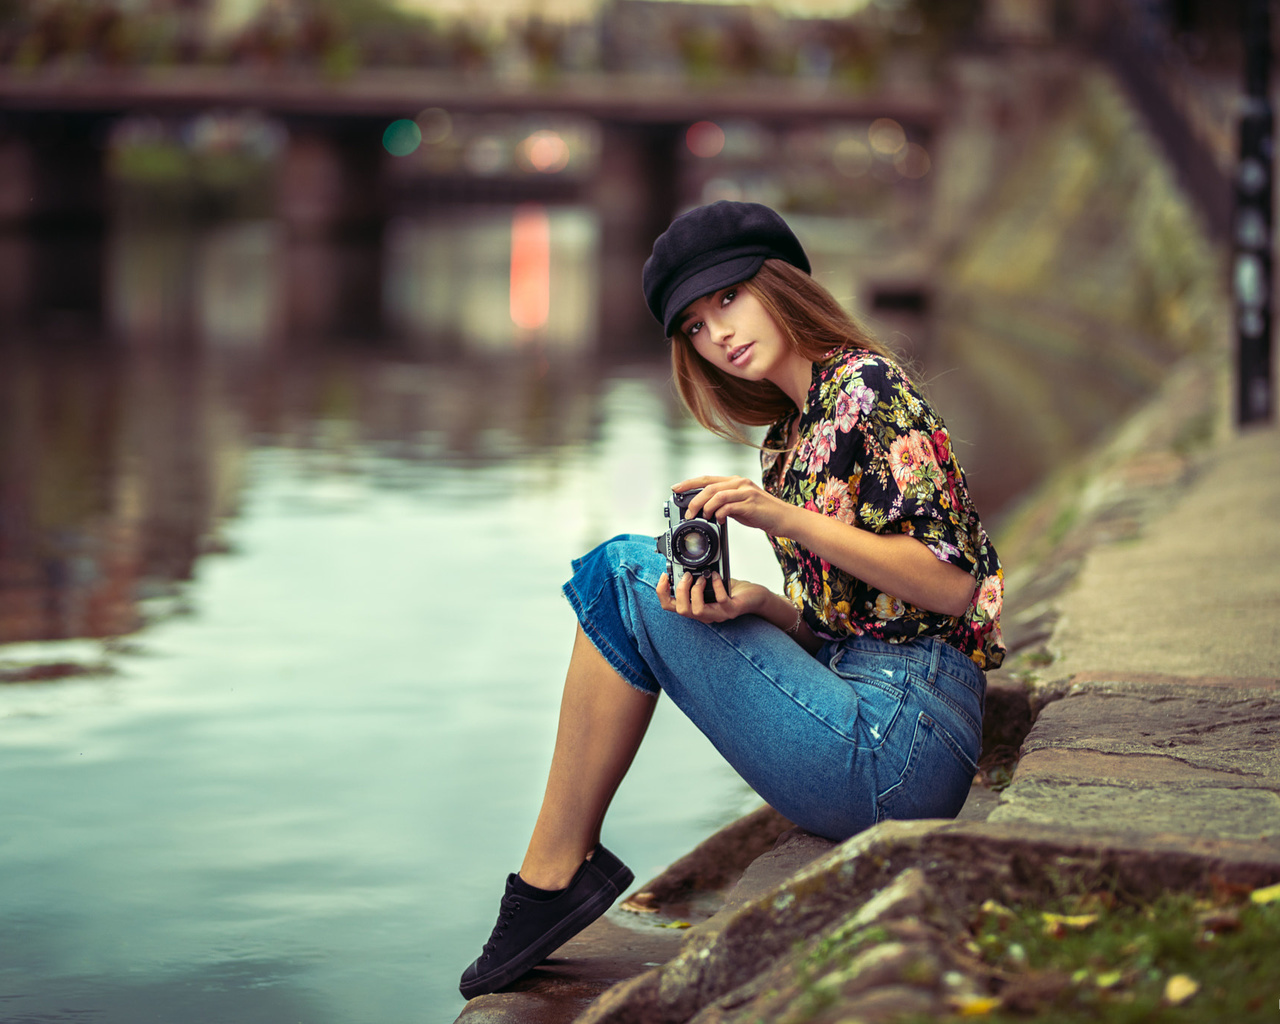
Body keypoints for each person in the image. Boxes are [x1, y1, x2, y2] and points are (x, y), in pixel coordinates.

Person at [458, 200, 1005, 1000]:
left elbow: (949, 585)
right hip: (871, 708)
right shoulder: (790, 437)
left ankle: (551, 876)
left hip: (905, 743)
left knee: (621, 569)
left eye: (728, 299)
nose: (718, 334)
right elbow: (854, 621)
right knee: (653, 588)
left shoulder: (867, 386)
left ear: (778, 286)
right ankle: (555, 873)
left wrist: (781, 517)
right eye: (694, 327)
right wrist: (764, 606)